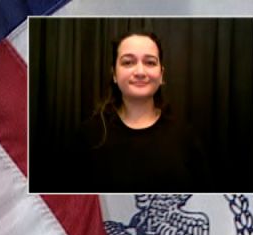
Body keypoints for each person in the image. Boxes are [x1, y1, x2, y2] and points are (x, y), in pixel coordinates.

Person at [67, 30, 209, 192]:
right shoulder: (89, 136)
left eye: (150, 62)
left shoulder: (185, 137)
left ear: (161, 74)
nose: (140, 72)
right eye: (128, 62)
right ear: (114, 74)